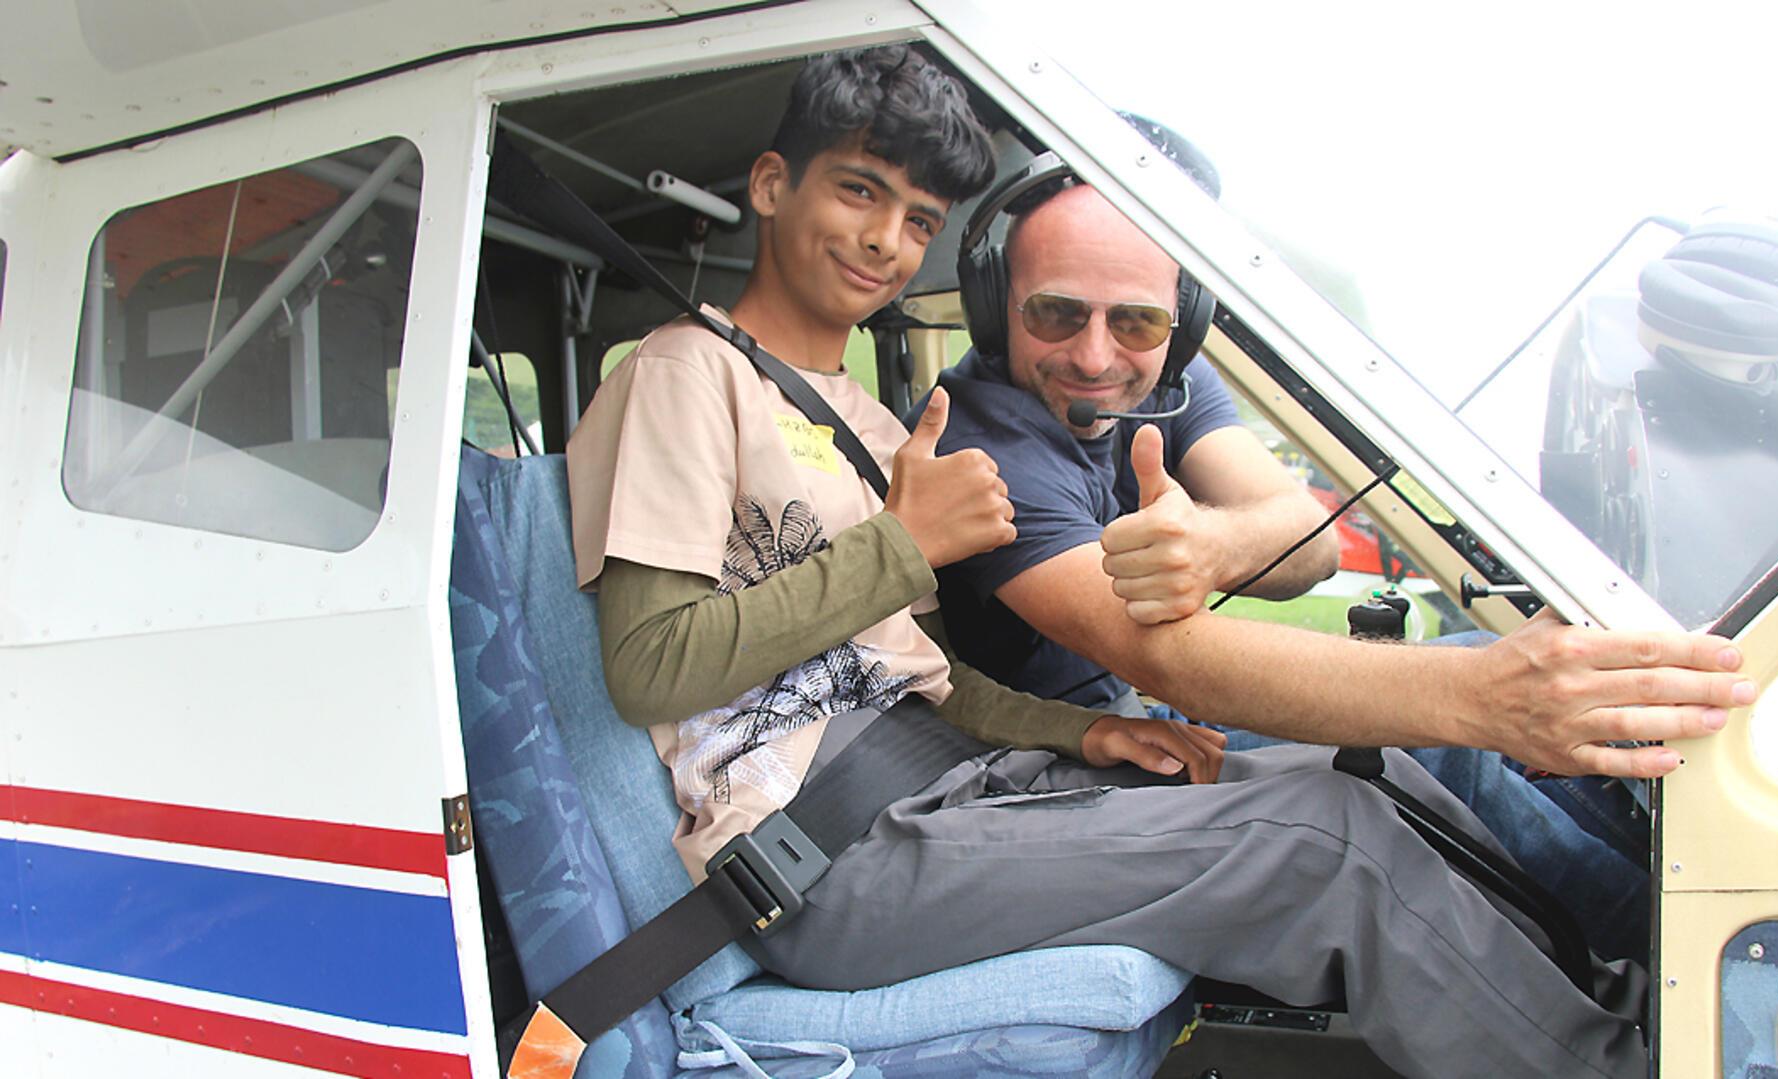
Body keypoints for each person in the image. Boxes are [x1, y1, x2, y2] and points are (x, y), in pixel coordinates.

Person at [569, 45, 1668, 1078]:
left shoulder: (863, 418)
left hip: (939, 787)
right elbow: (650, 667)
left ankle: (1611, 992)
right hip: (815, 861)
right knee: (1319, 841)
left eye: (917, 219)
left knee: (1343, 773)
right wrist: (905, 543)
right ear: (771, 185)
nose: (884, 241)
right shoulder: (684, 374)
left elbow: (932, 685)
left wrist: (1085, 729)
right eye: (859, 192)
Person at [918, 141, 1753, 962]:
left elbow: (1305, 540)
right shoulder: (983, 443)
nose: (1095, 354)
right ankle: (1686, 959)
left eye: (1134, 319)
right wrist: (1481, 700)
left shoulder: (1154, 370)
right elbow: (1175, 662)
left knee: (1480, 655)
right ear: (998, 306)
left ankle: (1714, 867)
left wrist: (1212, 545)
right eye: (1056, 312)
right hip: (1064, 769)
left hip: (1150, 724)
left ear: (1181, 320)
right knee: (1432, 736)